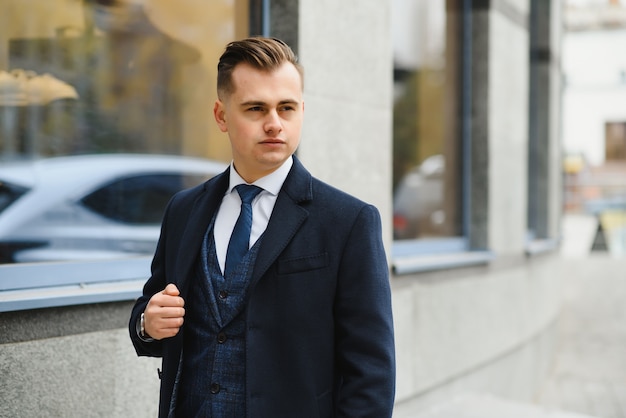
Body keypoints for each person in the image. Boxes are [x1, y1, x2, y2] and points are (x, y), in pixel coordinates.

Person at [129, 36, 395, 417]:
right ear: (221, 116)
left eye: (286, 108)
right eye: (255, 109)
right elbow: (152, 310)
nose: (274, 124)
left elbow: (371, 369)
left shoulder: (349, 220)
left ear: (302, 110)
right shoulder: (184, 210)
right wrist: (146, 323)